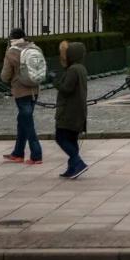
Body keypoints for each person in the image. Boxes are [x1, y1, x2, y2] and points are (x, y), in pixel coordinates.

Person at [0, 28, 43, 165]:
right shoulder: (35, 48)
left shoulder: (11, 52)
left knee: (28, 123)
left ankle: (36, 155)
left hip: (21, 91)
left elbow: (5, 76)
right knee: (22, 121)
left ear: (11, 38)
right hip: (34, 90)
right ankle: (18, 153)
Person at [53, 41, 89, 179]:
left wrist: (55, 81)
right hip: (78, 110)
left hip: (69, 111)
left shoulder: (73, 70)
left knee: (61, 137)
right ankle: (72, 167)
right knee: (72, 138)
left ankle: (77, 161)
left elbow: (66, 89)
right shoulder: (81, 68)